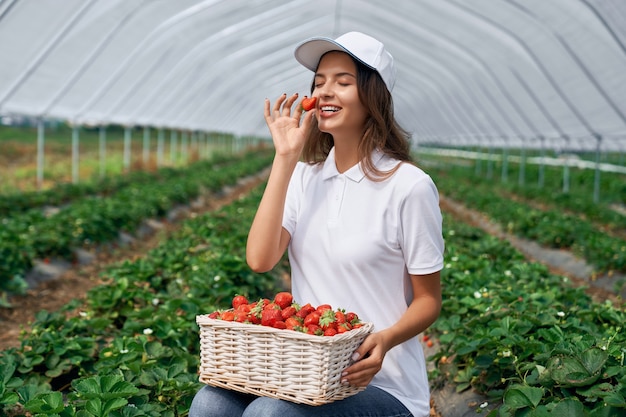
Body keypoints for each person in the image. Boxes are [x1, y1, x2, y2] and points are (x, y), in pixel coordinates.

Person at [189, 31, 444, 417]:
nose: (325, 91)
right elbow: (260, 260)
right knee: (209, 403)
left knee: (270, 414)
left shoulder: (408, 186)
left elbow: (428, 300)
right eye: (319, 82)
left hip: (380, 382)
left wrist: (385, 339)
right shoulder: (304, 178)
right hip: (304, 370)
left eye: (343, 82)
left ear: (374, 97)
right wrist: (285, 157)